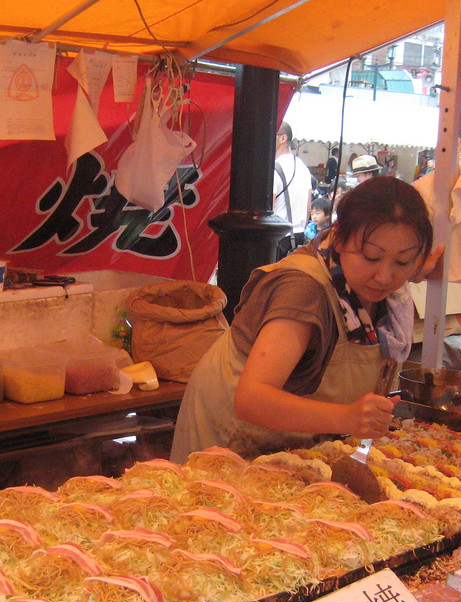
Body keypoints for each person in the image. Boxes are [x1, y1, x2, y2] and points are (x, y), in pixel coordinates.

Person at [171, 176, 443, 462]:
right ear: (337, 239)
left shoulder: (379, 285)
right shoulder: (303, 291)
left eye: (402, 261)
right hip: (230, 441)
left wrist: (418, 268)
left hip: (291, 446)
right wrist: (346, 417)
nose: (385, 276)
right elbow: (251, 399)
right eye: (371, 256)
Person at [273, 122, 314, 257]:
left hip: (277, 238)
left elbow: (267, 209)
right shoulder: (303, 167)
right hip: (299, 238)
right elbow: (309, 208)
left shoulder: (274, 168)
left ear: (283, 138)